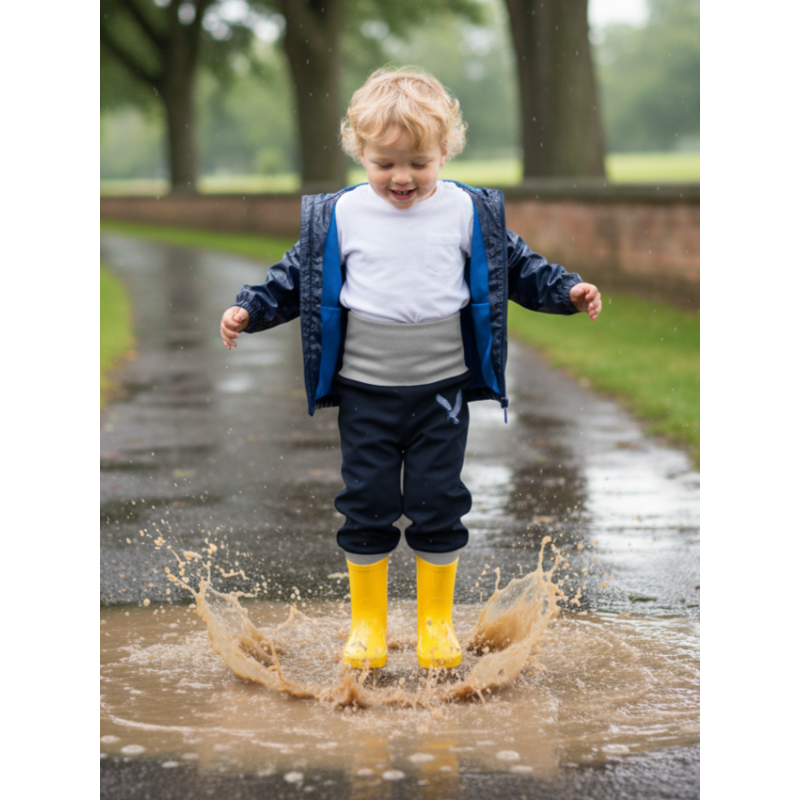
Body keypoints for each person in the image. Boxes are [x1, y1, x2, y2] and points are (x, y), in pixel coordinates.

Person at [220, 67, 601, 672]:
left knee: (437, 500)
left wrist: (569, 290)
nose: (402, 177)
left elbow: (519, 269)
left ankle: (434, 627)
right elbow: (294, 277)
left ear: (445, 151)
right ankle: (367, 628)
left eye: (419, 163)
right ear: (359, 152)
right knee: (366, 502)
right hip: (365, 393)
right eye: (385, 163)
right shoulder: (341, 215)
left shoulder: (468, 212)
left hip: (441, 393)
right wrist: (249, 307)